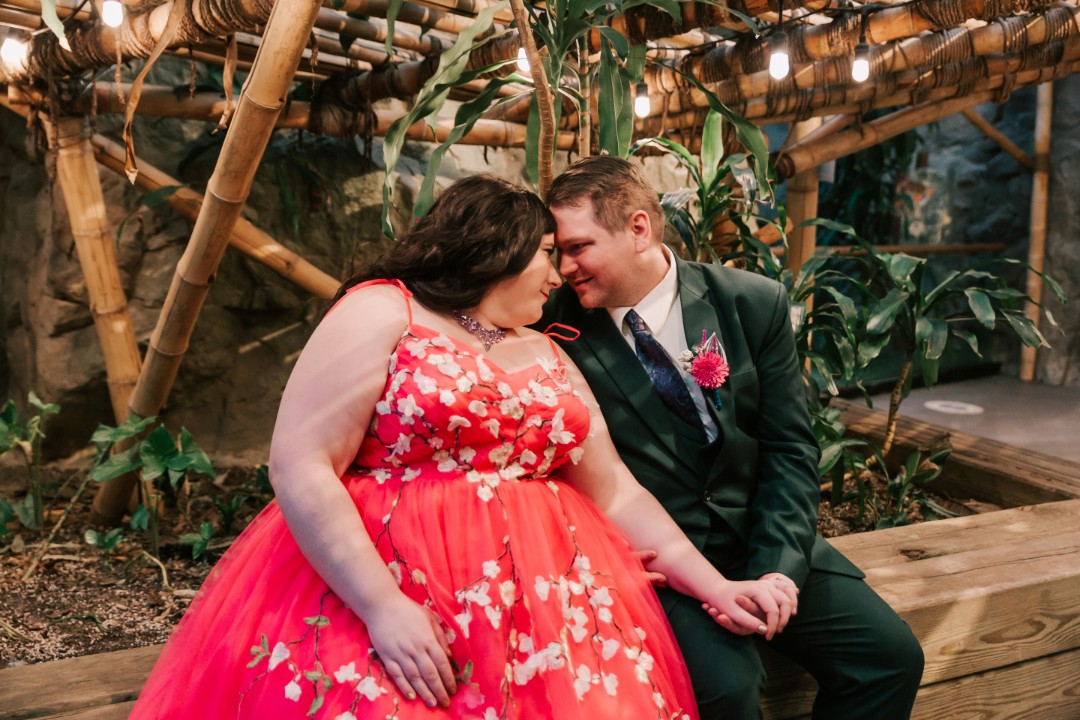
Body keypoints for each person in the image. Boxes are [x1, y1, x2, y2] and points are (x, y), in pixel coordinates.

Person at [128, 174, 797, 720]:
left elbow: (614, 487)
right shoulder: (383, 310)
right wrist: (383, 609)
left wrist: (716, 586)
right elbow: (301, 463)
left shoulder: (547, 349)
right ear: (498, 248)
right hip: (389, 590)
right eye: (545, 253)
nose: (559, 275)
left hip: (546, 611)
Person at [537, 156, 925, 720]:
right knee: (727, 689)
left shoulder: (751, 302)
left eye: (578, 247)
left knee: (890, 656)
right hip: (656, 564)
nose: (564, 267)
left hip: (760, 535)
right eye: (557, 251)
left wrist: (777, 571)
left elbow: (791, 448)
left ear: (638, 228)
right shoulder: (553, 327)